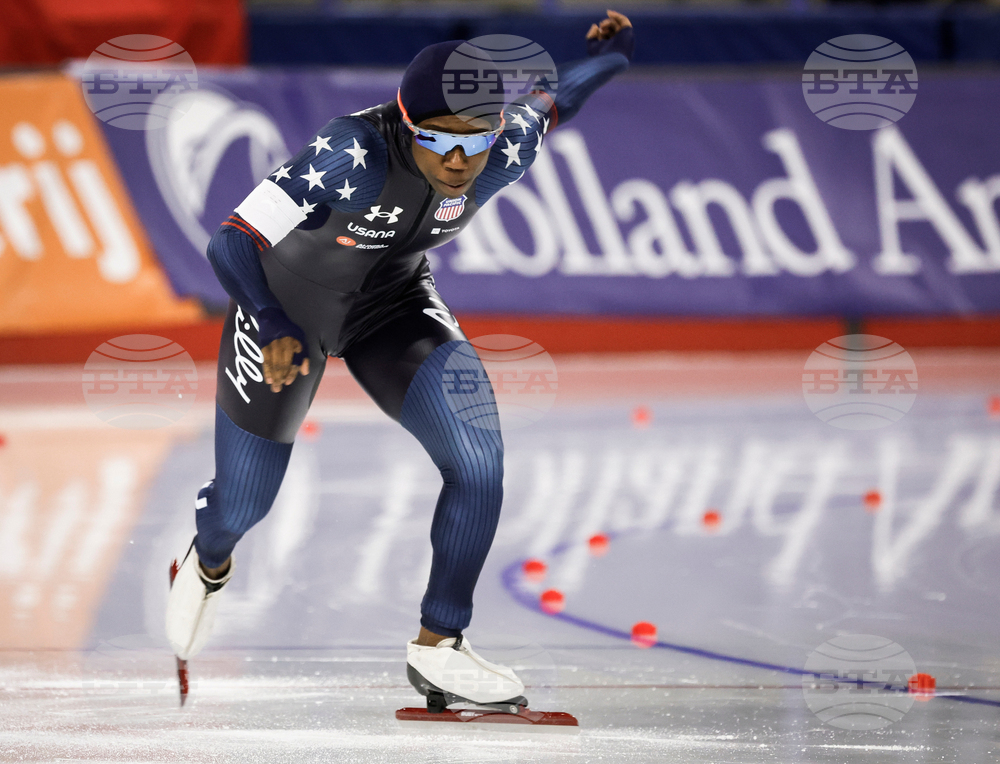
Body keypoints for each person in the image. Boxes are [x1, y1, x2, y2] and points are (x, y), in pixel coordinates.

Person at [166, 10, 635, 710]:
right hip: (286, 316)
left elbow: (554, 99)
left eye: (472, 140)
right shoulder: (348, 151)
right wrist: (267, 323)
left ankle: (440, 644)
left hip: (393, 306)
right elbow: (230, 240)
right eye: (435, 140)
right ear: (404, 123)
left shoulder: (503, 150)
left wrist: (616, 55)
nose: (456, 161)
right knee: (244, 505)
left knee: (479, 464)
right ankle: (205, 559)